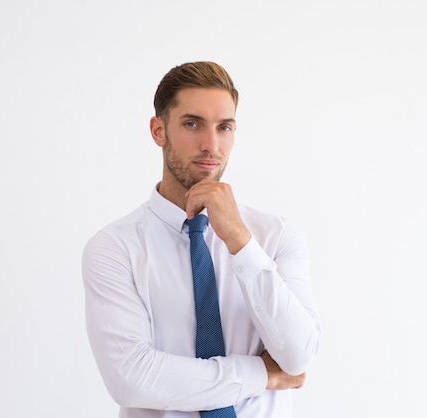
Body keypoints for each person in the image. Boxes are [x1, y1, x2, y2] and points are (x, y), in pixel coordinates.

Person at [82, 61, 321, 418]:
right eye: (192, 124)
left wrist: (239, 240)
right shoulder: (116, 248)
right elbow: (131, 378)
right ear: (158, 131)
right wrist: (262, 374)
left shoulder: (275, 236)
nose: (211, 145)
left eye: (224, 127)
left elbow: (299, 356)